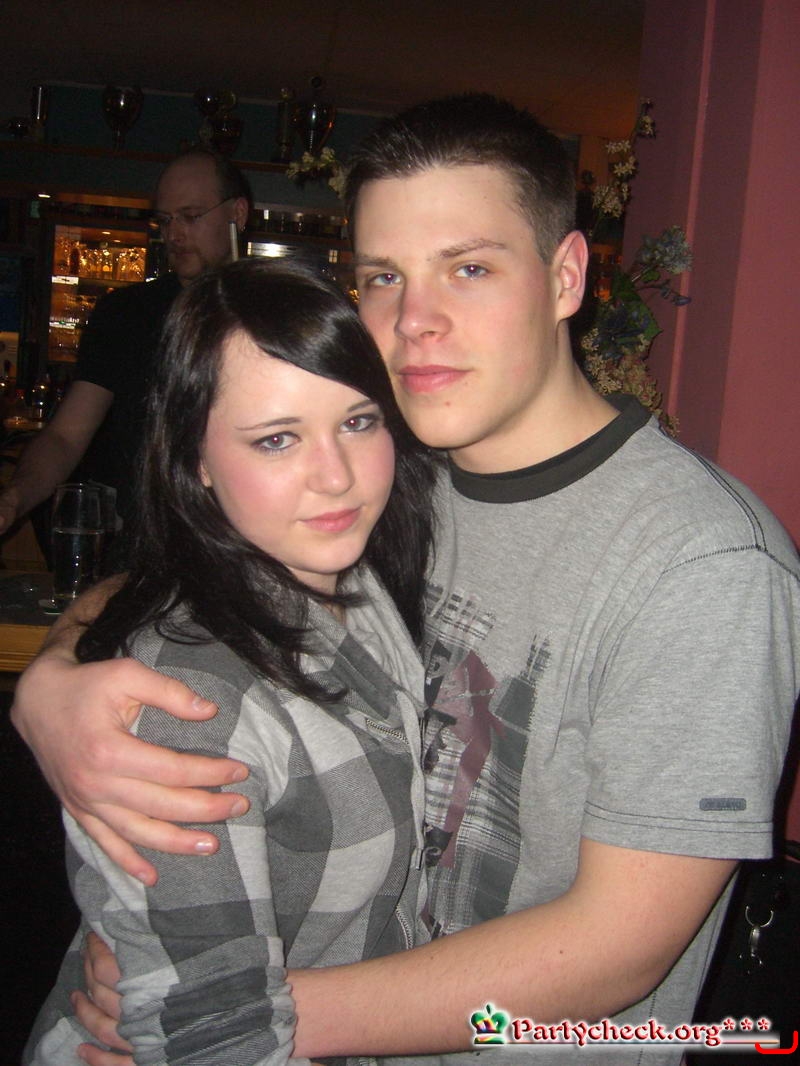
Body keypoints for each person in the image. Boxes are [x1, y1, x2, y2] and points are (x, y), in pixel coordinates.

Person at [13, 94, 800, 1066]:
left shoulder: (701, 565)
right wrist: (56, 684)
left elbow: (619, 948)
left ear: (565, 276)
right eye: (384, 276)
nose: (415, 320)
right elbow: (191, 565)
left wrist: (227, 1017)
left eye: (469, 267)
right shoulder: (388, 473)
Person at [23, 256, 439, 1065]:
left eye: (358, 421)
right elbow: (216, 1042)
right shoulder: (191, 703)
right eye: (277, 439)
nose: (336, 475)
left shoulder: (358, 582)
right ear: (197, 460)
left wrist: (52, 663)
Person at [0, 147, 250, 546]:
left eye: (190, 216)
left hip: (242, 551)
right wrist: (15, 498)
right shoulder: (125, 313)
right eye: (165, 220)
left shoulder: (271, 315)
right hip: (138, 551)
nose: (174, 234)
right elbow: (66, 436)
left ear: (237, 213)